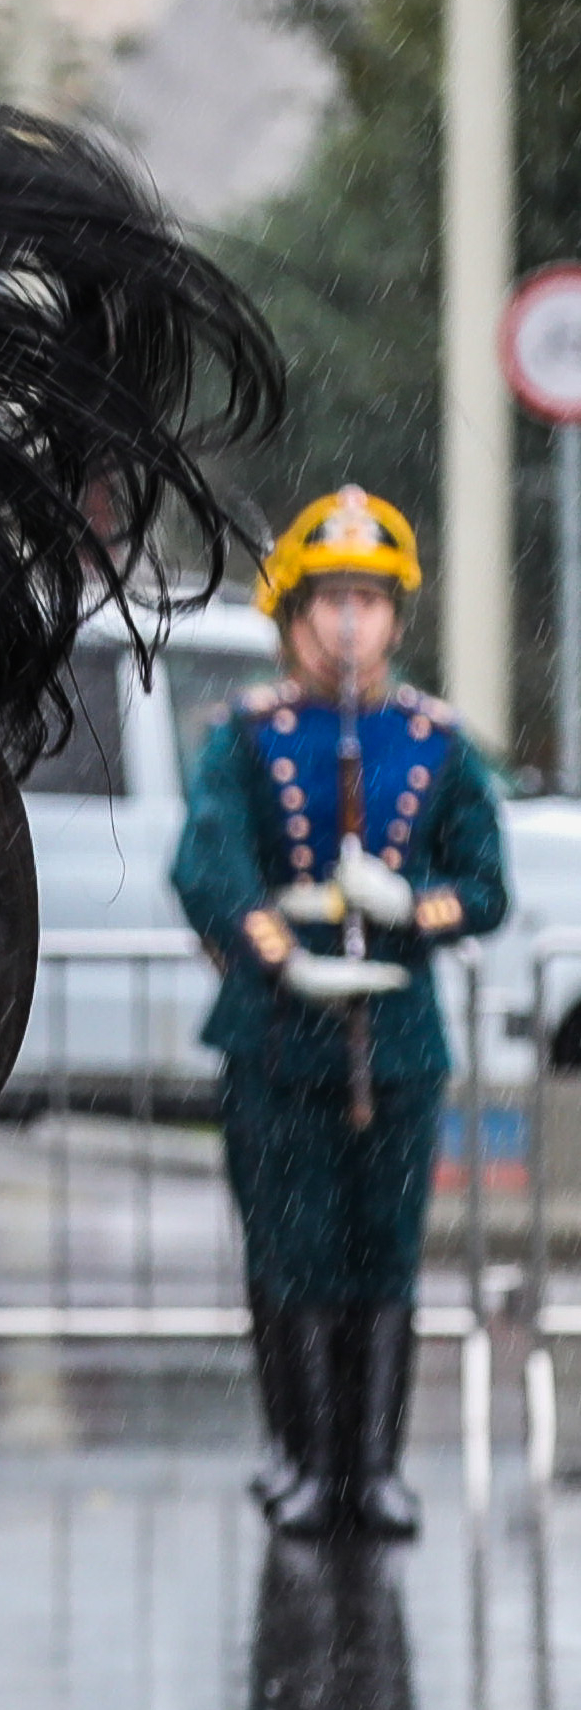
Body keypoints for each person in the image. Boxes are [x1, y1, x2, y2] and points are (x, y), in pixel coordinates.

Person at [175, 488, 509, 1542]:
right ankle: (305, 1457)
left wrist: (414, 907)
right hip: (277, 1033)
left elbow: (487, 884)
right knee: (291, 1252)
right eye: (333, 600)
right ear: (294, 616)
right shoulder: (245, 735)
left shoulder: (437, 742)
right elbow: (208, 860)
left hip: (398, 1038)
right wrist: (276, 943)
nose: (352, 623)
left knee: (384, 1254)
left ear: (398, 617)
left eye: (371, 600)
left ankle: (377, 1467)